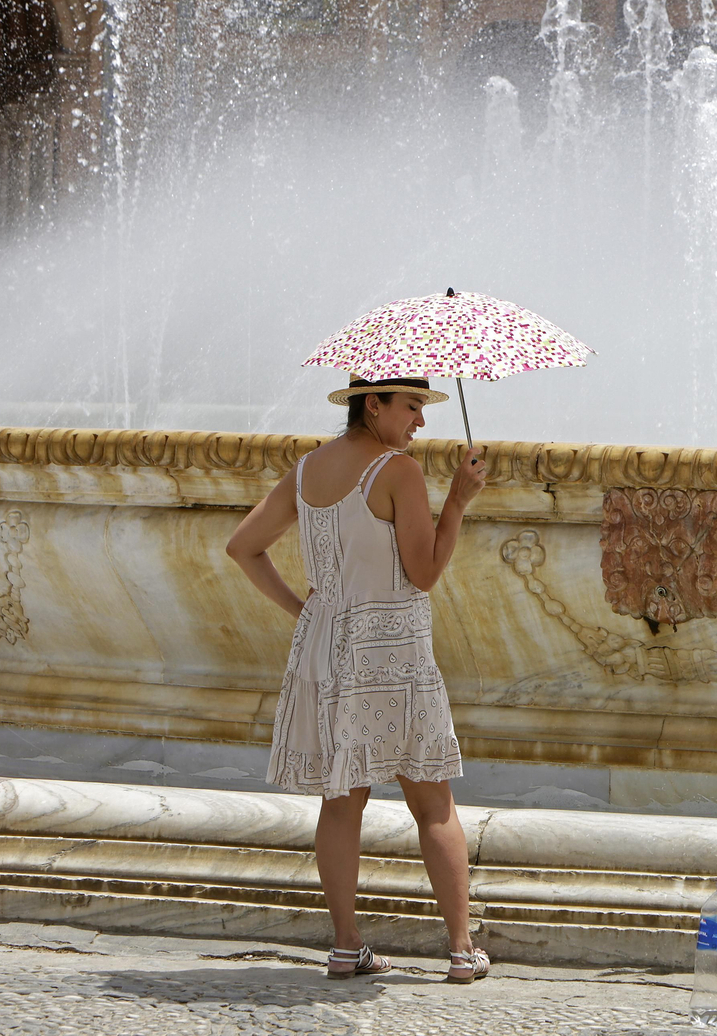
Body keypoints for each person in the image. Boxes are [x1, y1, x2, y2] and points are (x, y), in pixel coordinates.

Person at [226, 375, 489, 983]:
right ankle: (460, 950)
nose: (420, 420)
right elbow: (423, 573)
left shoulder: (306, 471)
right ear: (374, 405)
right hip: (392, 651)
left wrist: (306, 611)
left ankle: (346, 946)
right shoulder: (399, 471)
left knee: (341, 803)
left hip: (328, 651)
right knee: (433, 801)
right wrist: (457, 501)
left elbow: (243, 547)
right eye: (412, 406)